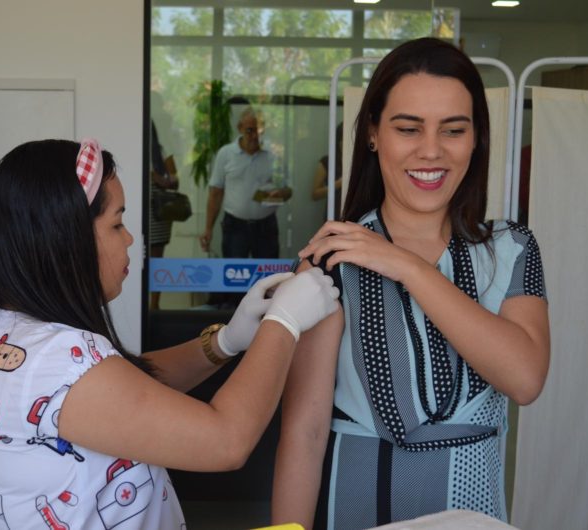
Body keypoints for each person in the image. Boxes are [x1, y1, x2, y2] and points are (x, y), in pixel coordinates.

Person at [0, 138, 340, 530]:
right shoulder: (54, 360)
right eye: (116, 224)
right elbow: (226, 440)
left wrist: (225, 341)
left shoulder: (17, 332)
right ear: (64, 238)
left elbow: (127, 388)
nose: (129, 238)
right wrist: (283, 323)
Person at [271, 38, 550, 530]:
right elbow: (304, 432)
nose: (431, 150)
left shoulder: (511, 248)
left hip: (471, 513)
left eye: (453, 130)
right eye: (408, 128)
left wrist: (409, 266)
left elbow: (525, 378)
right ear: (373, 133)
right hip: (356, 505)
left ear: (477, 138)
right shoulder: (333, 258)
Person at [199, 106, 292, 308]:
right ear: (240, 128)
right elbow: (215, 193)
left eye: (259, 130)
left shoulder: (272, 155)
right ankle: (234, 320)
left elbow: (288, 190)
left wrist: (280, 193)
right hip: (235, 225)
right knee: (234, 279)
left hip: (266, 226)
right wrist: (208, 228)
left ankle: (266, 320)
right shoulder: (226, 154)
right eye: (250, 130)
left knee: (268, 280)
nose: (255, 135)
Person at [149, 120, 178, 310]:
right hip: (138, 211)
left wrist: (156, 177)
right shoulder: (132, 148)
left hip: (158, 213)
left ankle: (154, 305)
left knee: (156, 260)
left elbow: (175, 181)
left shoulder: (162, 152)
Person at [311, 123, 344, 220]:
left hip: (356, 217)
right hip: (334, 216)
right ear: (339, 142)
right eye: (344, 140)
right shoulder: (328, 161)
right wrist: (338, 184)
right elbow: (315, 194)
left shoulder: (360, 162)